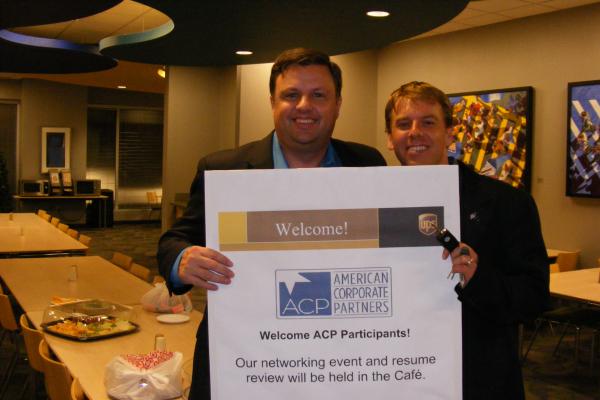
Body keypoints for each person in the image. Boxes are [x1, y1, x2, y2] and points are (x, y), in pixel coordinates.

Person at [158, 48, 386, 399]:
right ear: (272, 102)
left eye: (319, 95)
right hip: (244, 355)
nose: (304, 106)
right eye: (291, 95)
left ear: (338, 104)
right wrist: (182, 259)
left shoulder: (368, 164)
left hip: (342, 357)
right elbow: (175, 239)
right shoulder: (223, 170)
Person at [384, 81, 549, 399]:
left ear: (450, 133)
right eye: (403, 124)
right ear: (390, 139)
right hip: (398, 374)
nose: (415, 132)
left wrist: (478, 278)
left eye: (428, 122)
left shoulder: (506, 203)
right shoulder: (373, 202)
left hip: (477, 380)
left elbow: (534, 298)